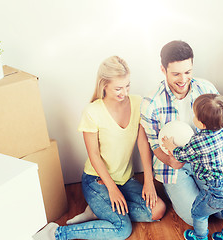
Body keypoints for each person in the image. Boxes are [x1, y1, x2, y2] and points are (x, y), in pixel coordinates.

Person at [33, 56, 166, 240]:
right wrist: (111, 189)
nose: (125, 92)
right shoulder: (92, 111)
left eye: (127, 86)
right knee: (122, 229)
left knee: (158, 209)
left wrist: (149, 181)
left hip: (125, 179)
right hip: (97, 180)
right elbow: (94, 155)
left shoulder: (138, 103)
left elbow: (143, 144)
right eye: (118, 88)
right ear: (104, 85)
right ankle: (56, 233)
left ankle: (101, 212)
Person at [140, 40, 219, 226]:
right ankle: (185, 192)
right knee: (196, 219)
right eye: (176, 74)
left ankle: (202, 193)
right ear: (163, 69)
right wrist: (170, 160)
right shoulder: (151, 103)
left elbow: (219, 130)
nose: (183, 80)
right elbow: (153, 144)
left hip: (204, 160)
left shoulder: (207, 90)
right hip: (174, 167)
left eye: (188, 72)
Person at [162, 94, 223, 240]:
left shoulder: (199, 142)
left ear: (201, 124)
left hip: (217, 190)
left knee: (198, 213)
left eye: (194, 115)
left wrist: (171, 145)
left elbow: (182, 155)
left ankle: (200, 237)